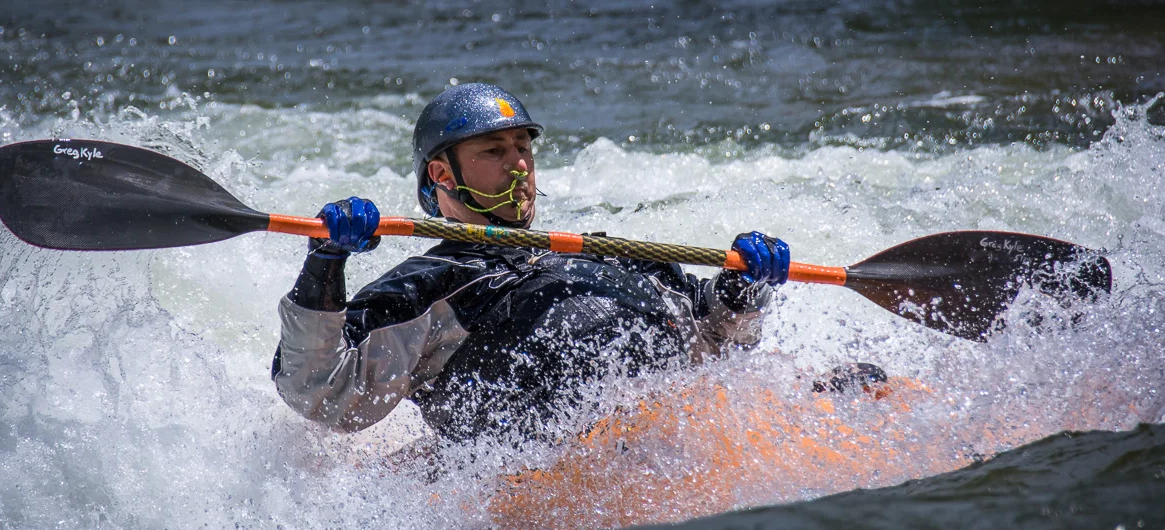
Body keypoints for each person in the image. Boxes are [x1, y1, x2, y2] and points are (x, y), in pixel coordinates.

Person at [271, 83, 790, 442]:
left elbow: (723, 339)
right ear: (443, 175)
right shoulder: (427, 287)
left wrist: (743, 286)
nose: (519, 163)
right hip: (532, 470)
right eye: (493, 151)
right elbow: (321, 393)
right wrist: (325, 262)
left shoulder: (604, 253)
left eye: (523, 147)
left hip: (667, 437)